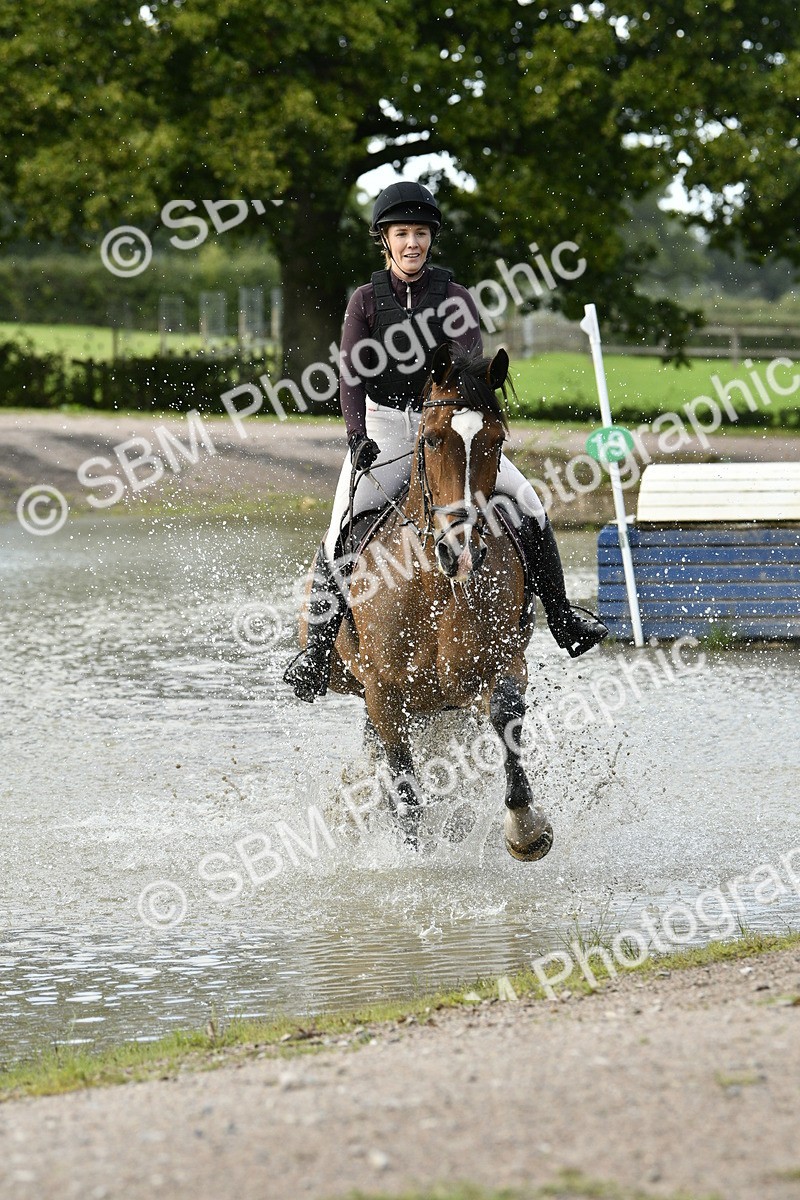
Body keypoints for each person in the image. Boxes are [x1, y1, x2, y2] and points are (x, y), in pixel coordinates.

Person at [285, 181, 607, 702]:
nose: (412, 243)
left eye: (420, 234)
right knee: (339, 526)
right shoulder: (365, 302)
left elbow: (473, 371)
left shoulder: (455, 297)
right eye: (401, 233)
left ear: (431, 239)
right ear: (384, 240)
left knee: (530, 505)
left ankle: (564, 618)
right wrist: (356, 437)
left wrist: (466, 425)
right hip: (387, 428)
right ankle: (319, 651)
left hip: (452, 429)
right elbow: (349, 375)